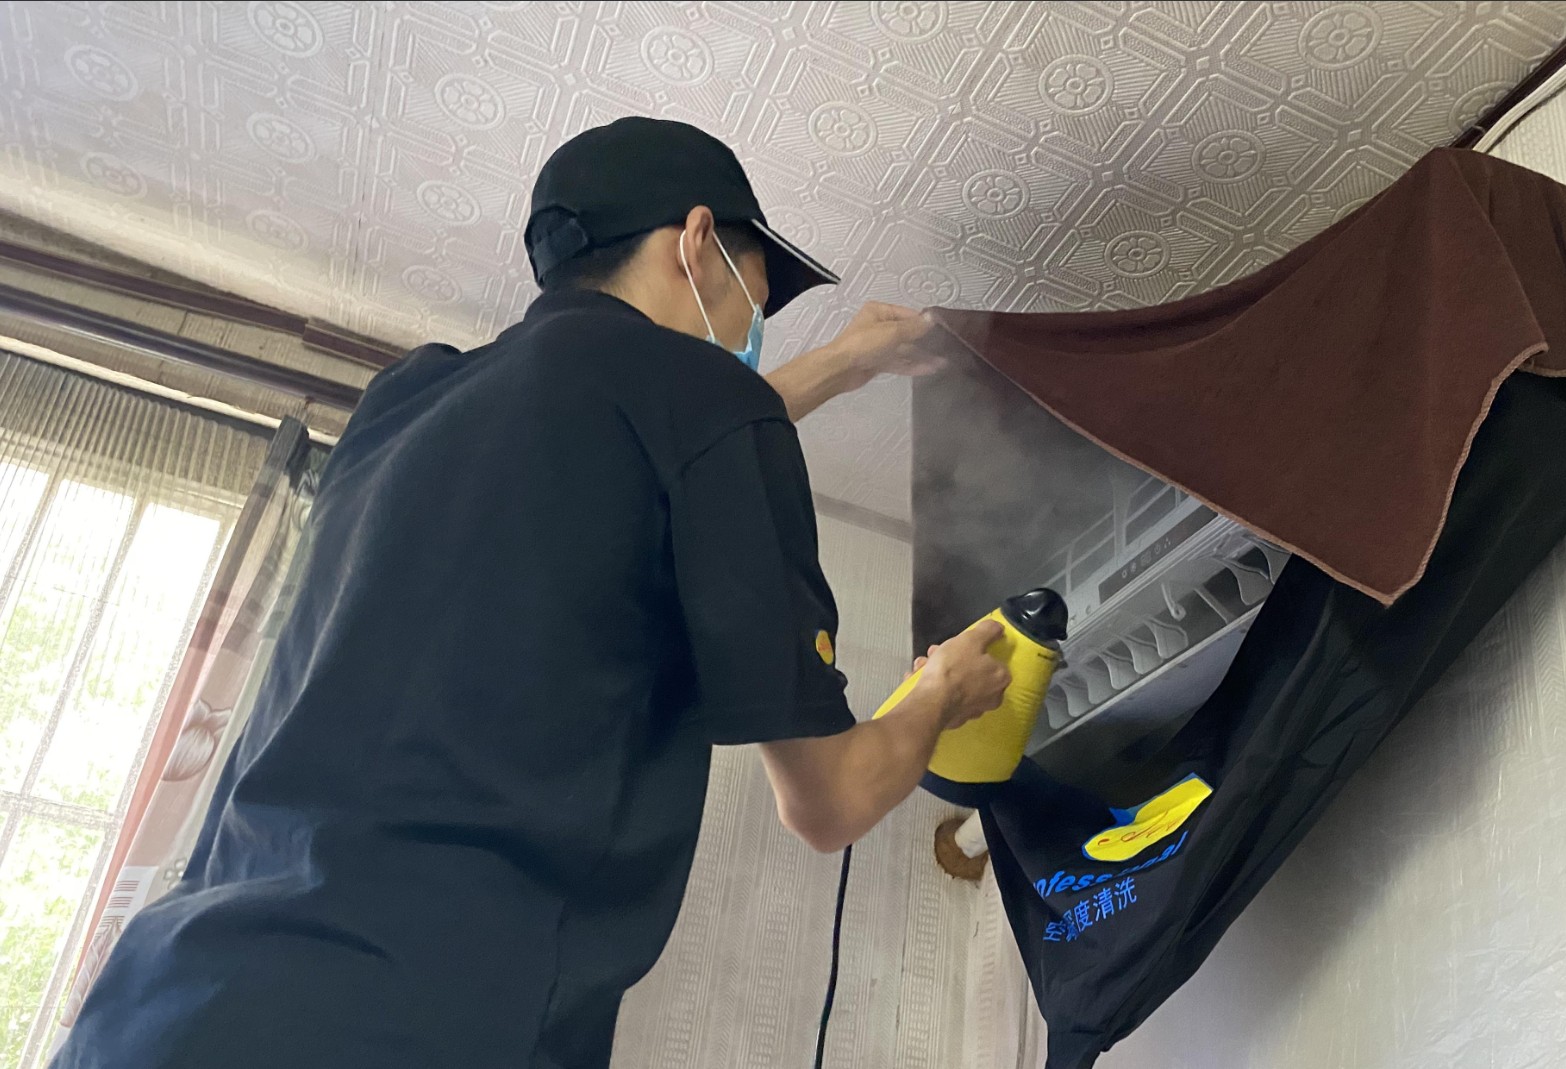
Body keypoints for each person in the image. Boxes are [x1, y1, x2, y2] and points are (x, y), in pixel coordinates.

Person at [51, 117, 1010, 1068]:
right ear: (696, 242)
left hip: (157, 1009)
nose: (754, 332)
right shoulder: (706, 401)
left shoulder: (406, 399)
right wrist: (940, 693)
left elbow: (671, 440)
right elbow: (831, 800)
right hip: (404, 1027)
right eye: (757, 295)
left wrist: (840, 365)